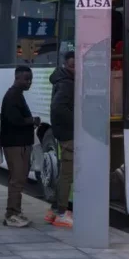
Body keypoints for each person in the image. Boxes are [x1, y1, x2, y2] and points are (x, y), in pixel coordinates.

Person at [0, 66, 40, 227]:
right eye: (26, 79)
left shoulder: (17, 95)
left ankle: (16, 211)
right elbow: (14, 120)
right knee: (17, 179)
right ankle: (11, 214)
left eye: (30, 79)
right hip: (15, 144)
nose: (29, 82)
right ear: (17, 78)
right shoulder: (12, 96)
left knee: (20, 178)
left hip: (20, 143)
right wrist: (32, 120)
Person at [46, 51, 75, 228]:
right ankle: (62, 213)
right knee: (67, 174)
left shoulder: (61, 80)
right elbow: (58, 108)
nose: (76, 68)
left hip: (63, 133)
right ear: (66, 65)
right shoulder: (67, 83)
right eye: (72, 65)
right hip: (69, 134)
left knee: (64, 172)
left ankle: (54, 211)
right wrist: (77, 122)